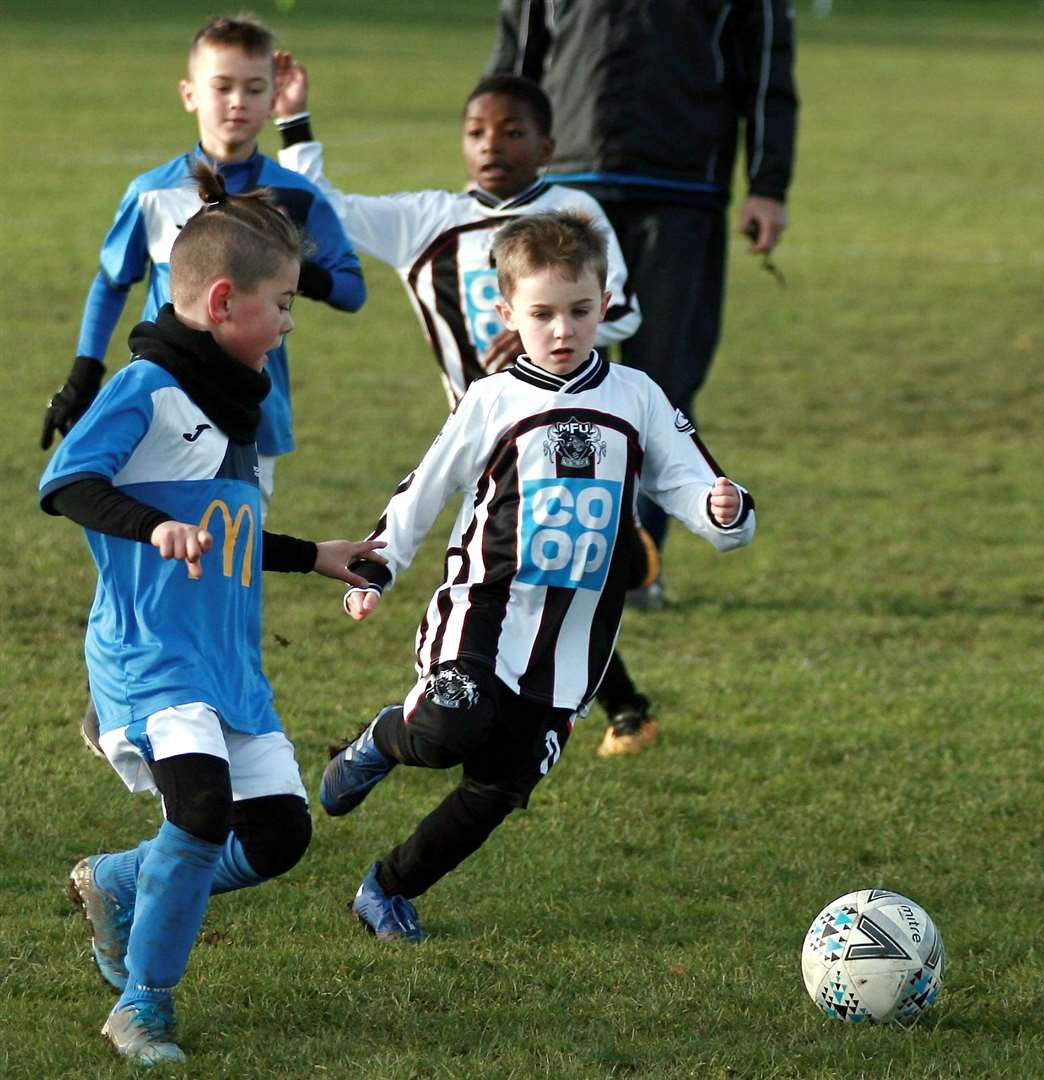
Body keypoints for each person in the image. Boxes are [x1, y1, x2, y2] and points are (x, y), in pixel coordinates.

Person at [320, 211, 756, 942]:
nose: (563, 330)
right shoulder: (493, 400)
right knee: (447, 729)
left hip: (574, 639)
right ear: (506, 311)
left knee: (500, 785)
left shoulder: (637, 396)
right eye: (543, 314)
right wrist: (379, 565)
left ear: (605, 300)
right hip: (484, 610)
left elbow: (695, 486)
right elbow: (425, 486)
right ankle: (379, 743)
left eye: (580, 311)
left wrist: (724, 509)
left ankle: (387, 888)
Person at [40, 162, 384, 1065]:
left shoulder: (231, 401)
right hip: (151, 654)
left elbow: (228, 528)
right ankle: (142, 1008)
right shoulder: (146, 387)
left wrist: (316, 556)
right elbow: (65, 481)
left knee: (278, 837)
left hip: (227, 659)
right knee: (198, 812)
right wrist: (151, 529)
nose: (288, 323)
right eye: (280, 305)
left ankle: (120, 881)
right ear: (224, 302)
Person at [271, 60, 658, 756]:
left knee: (526, 573)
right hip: (479, 436)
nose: (492, 144)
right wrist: (294, 122)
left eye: (513, 132)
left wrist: (555, 331)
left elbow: (623, 309)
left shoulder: (574, 214)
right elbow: (326, 209)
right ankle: (601, 702)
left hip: (568, 434)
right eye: (477, 131)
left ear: (546, 146)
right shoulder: (430, 221)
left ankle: (566, 707)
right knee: (514, 574)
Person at [40, 13, 365, 761]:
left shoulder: (294, 194)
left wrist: (279, 264)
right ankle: (128, 695)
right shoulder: (154, 192)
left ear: (273, 95)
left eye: (255, 88)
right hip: (161, 412)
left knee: (228, 556)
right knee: (151, 545)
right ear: (191, 93)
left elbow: (349, 292)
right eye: (222, 86)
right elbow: (112, 281)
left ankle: (211, 701)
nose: (238, 103)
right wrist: (84, 373)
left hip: (254, 416)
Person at [487, 0, 796, 608]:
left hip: (682, 188)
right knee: (541, 381)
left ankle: (637, 565)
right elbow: (516, 63)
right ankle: (533, 555)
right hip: (569, 179)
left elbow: (764, 69)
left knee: (663, 386)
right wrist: (500, 162)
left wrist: (767, 182)